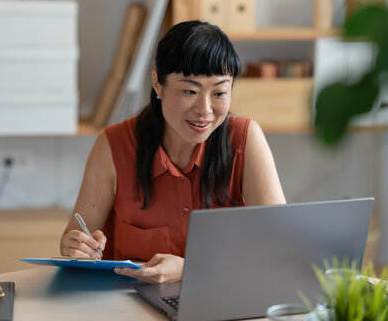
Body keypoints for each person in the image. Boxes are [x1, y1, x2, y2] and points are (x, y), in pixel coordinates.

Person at [60, 20, 286, 284]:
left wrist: (189, 270)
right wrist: (75, 246)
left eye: (220, 92)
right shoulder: (113, 144)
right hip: (130, 306)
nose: (205, 109)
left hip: (223, 299)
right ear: (157, 83)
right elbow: (76, 239)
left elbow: (279, 247)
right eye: (189, 91)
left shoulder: (246, 139)